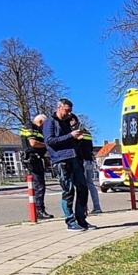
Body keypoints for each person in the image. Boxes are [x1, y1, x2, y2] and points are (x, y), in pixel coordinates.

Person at [42, 98, 94, 231]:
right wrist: (70, 136)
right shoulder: (50, 122)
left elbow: (71, 140)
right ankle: (70, 221)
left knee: (83, 188)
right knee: (68, 190)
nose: (69, 113)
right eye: (66, 110)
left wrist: (77, 138)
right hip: (61, 160)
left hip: (75, 158)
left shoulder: (66, 123)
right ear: (59, 108)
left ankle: (81, 219)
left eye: (70, 111)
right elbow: (50, 141)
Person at [20, 115, 53, 219]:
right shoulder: (31, 127)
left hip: (36, 159)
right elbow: (33, 143)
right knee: (39, 185)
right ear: (40, 121)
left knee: (39, 185)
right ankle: (39, 210)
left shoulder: (36, 128)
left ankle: (39, 210)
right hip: (33, 159)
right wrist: (47, 145)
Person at [77, 130, 103, 214]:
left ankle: (84, 209)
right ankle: (97, 207)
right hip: (89, 161)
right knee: (91, 185)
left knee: (82, 186)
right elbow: (90, 148)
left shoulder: (76, 132)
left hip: (82, 161)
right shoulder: (87, 133)